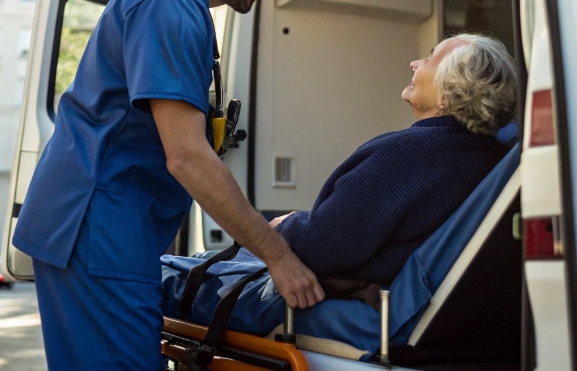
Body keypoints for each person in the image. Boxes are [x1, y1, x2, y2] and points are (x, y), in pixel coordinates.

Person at [13, 0, 325, 370]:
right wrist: (277, 257)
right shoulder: (171, 5)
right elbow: (187, 156)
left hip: (103, 227)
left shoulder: (178, 0)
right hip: (99, 229)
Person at [162, 33, 517, 327]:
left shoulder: (410, 154)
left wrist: (286, 226)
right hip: (420, 308)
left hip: (341, 298)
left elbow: (320, 247)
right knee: (202, 259)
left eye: (429, 59)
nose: (415, 64)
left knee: (162, 275)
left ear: (447, 94)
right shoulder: (495, 162)